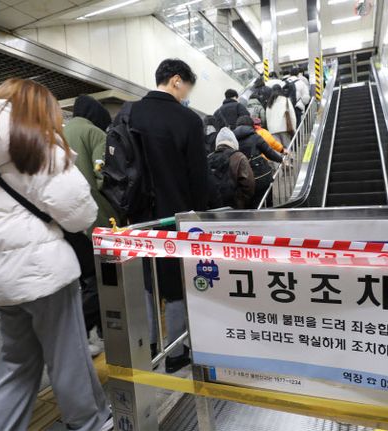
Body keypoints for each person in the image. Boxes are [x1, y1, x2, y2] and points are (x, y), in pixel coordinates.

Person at [0, 78, 111, 430]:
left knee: (15, 364)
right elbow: (80, 214)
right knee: (67, 354)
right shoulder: (38, 145)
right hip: (43, 272)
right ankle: (90, 423)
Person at [129, 58, 208, 373]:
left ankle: (148, 347)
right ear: (177, 80)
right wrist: (203, 216)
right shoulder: (187, 119)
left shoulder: (129, 113)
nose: (186, 93)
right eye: (187, 87)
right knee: (175, 283)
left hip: (137, 218)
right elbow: (198, 178)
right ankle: (175, 353)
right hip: (175, 217)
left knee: (147, 283)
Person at [63, 94, 116, 357]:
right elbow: (102, 175)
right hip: (96, 217)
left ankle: (97, 332)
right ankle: (83, 334)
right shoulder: (96, 134)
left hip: (66, 219)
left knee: (86, 280)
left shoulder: (60, 133)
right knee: (103, 279)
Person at [234, 115, 283, 208]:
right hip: (260, 176)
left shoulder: (234, 140)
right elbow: (269, 152)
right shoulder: (255, 137)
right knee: (265, 201)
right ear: (251, 125)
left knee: (249, 205)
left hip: (243, 178)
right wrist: (280, 159)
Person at [208, 128, 255, 209]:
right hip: (234, 208)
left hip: (213, 208)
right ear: (234, 141)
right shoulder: (239, 157)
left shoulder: (209, 158)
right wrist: (241, 202)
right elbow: (249, 184)